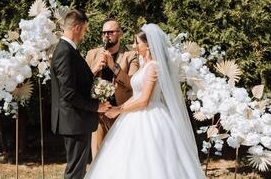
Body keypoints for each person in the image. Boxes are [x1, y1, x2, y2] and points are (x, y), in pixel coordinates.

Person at [85, 24, 205, 179]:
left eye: (137, 43)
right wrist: (120, 108)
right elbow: (136, 96)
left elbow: (144, 100)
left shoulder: (154, 67)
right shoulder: (144, 66)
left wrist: (119, 109)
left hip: (152, 117)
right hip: (133, 115)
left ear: (148, 46)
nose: (134, 46)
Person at [50, 10, 111, 179]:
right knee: (75, 172)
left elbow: (76, 83)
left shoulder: (68, 50)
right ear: (77, 28)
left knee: (78, 169)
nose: (85, 33)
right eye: (84, 29)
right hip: (74, 121)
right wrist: (96, 106)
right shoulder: (65, 52)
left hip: (76, 121)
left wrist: (94, 72)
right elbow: (68, 93)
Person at [85, 20, 139, 158]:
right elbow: (82, 82)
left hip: (121, 113)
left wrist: (114, 66)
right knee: (97, 157)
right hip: (98, 114)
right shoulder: (92, 54)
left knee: (122, 156)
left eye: (110, 32)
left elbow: (133, 83)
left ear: (119, 33)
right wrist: (94, 69)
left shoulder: (130, 55)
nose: (106, 35)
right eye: (104, 32)